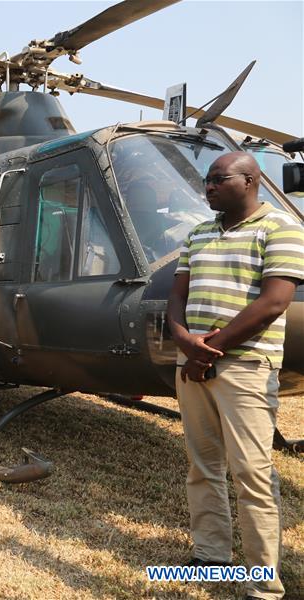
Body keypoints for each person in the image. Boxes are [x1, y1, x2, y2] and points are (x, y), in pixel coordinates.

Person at [167, 152, 303, 600]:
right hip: (194, 366)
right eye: (206, 180)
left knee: (253, 474)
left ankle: (263, 584)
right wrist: (187, 344)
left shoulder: (281, 228)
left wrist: (208, 350)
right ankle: (210, 557)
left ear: (249, 180)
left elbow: (273, 303)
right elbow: (175, 300)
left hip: (245, 367)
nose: (207, 187)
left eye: (217, 179)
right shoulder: (199, 233)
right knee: (202, 467)